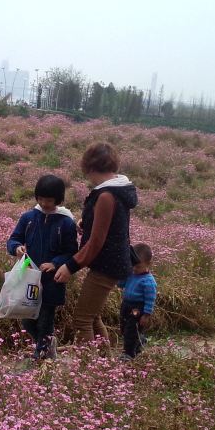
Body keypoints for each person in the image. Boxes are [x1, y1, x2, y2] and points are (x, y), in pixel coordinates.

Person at [54, 142, 138, 345]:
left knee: (82, 320)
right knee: (93, 317)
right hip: (113, 262)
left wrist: (70, 266)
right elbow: (111, 224)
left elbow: (97, 241)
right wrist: (88, 222)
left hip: (106, 265)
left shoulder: (106, 195)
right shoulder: (117, 189)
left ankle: (87, 371)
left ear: (90, 167)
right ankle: (104, 364)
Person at [6, 174, 79, 360]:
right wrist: (17, 248)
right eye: (41, 199)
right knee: (27, 320)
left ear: (58, 200)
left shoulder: (66, 223)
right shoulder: (28, 218)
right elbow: (13, 239)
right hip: (27, 279)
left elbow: (72, 252)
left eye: (49, 200)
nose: (44, 203)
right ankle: (46, 346)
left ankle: (42, 355)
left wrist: (55, 263)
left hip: (51, 282)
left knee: (45, 319)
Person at [120, 243, 157, 360]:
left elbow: (150, 299)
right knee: (124, 328)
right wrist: (121, 274)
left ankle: (129, 353)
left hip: (138, 308)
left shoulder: (148, 281)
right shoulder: (131, 273)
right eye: (133, 265)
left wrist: (146, 314)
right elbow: (121, 284)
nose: (135, 269)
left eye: (138, 267)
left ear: (149, 264)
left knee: (131, 330)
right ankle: (140, 341)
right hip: (126, 305)